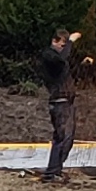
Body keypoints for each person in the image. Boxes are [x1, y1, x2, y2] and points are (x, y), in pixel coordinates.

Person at [39, 30, 88, 182]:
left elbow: (65, 73)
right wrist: (71, 41)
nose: (64, 47)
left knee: (67, 138)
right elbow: (61, 60)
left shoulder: (58, 59)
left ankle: (56, 170)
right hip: (59, 102)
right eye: (63, 44)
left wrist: (82, 65)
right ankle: (52, 172)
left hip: (66, 101)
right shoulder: (49, 55)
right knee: (62, 138)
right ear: (55, 41)